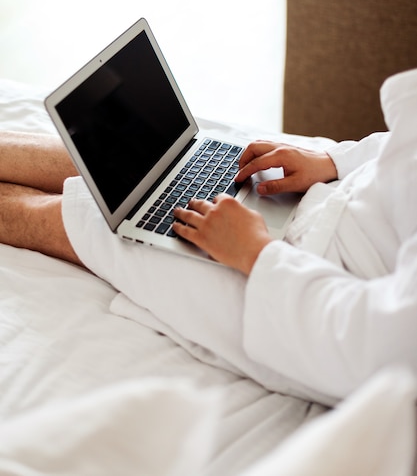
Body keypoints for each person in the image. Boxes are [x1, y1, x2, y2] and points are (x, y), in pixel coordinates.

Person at [0, 67, 416, 405]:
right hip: (336, 199)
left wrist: (255, 251)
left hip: (304, 293)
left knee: (75, 219)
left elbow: (381, 349)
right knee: (133, 164)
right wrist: (335, 160)